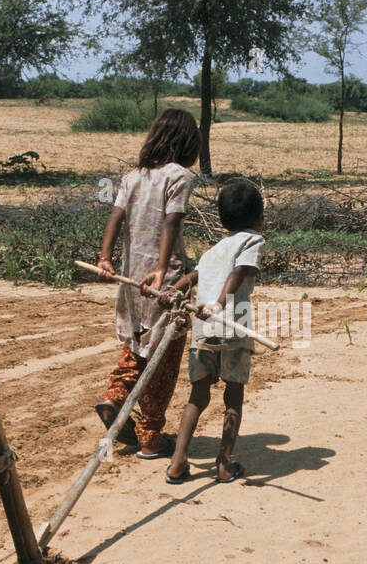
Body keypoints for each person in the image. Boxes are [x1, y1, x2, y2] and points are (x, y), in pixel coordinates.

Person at [94, 108, 200, 460]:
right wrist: (160, 270)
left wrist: (105, 258)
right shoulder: (180, 176)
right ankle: (150, 435)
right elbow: (172, 222)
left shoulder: (133, 176)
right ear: (188, 141)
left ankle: (115, 395)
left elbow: (115, 216)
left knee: (138, 342)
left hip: (129, 277)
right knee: (164, 355)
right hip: (163, 280)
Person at [164, 180, 265, 484]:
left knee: (198, 395)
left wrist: (173, 289)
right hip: (233, 325)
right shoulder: (253, 241)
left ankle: (178, 463)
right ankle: (223, 465)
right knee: (233, 397)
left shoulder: (212, 250)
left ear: (222, 219)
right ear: (259, 217)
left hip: (203, 328)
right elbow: (239, 272)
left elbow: (194, 275)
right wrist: (221, 303)